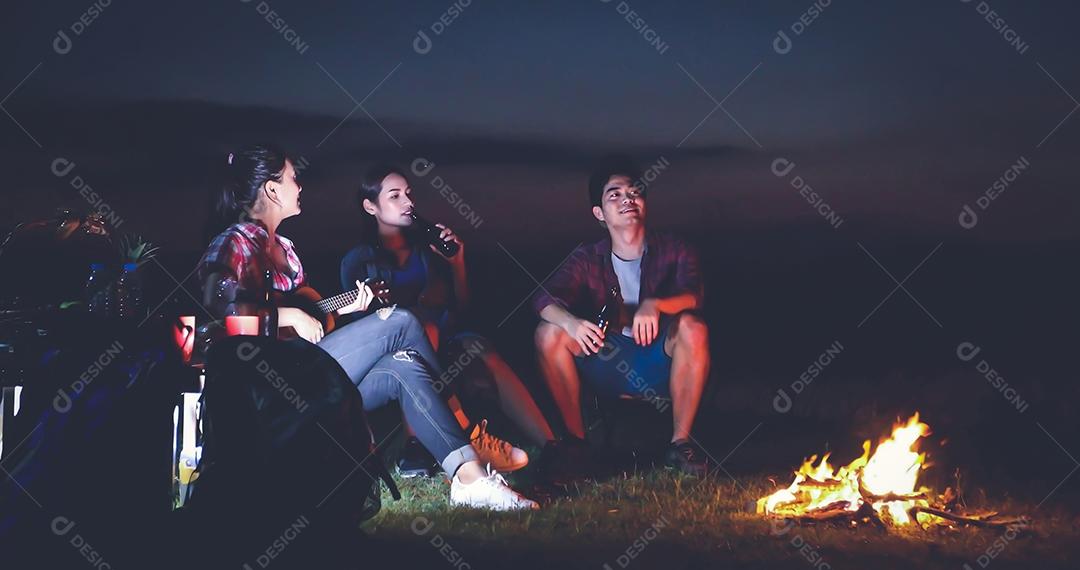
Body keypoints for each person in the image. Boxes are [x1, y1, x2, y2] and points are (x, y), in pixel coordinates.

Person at [196, 144, 537, 510]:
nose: (301, 185)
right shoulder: (235, 241)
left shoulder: (287, 250)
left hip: (307, 371)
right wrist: (287, 316)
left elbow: (310, 322)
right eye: (294, 178)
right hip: (271, 386)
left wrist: (345, 308)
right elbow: (215, 313)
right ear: (273, 190)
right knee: (401, 320)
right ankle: (468, 432)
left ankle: (469, 478)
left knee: (404, 365)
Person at [340, 164, 557, 477]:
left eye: (409, 194)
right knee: (423, 329)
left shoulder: (424, 250)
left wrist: (457, 264)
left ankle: (554, 446)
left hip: (444, 339)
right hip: (399, 354)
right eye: (395, 196)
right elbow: (364, 331)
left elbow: (461, 307)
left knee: (481, 348)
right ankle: (419, 444)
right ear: (370, 206)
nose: (408, 202)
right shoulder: (358, 260)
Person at [532, 157, 711, 476]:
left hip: (660, 359)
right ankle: (576, 444)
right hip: (609, 359)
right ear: (599, 213)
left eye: (634, 192)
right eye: (614, 194)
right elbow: (544, 298)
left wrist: (656, 305)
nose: (627, 199)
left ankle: (680, 446)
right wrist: (572, 322)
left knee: (693, 327)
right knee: (549, 332)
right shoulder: (588, 257)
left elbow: (693, 295)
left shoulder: (674, 249)